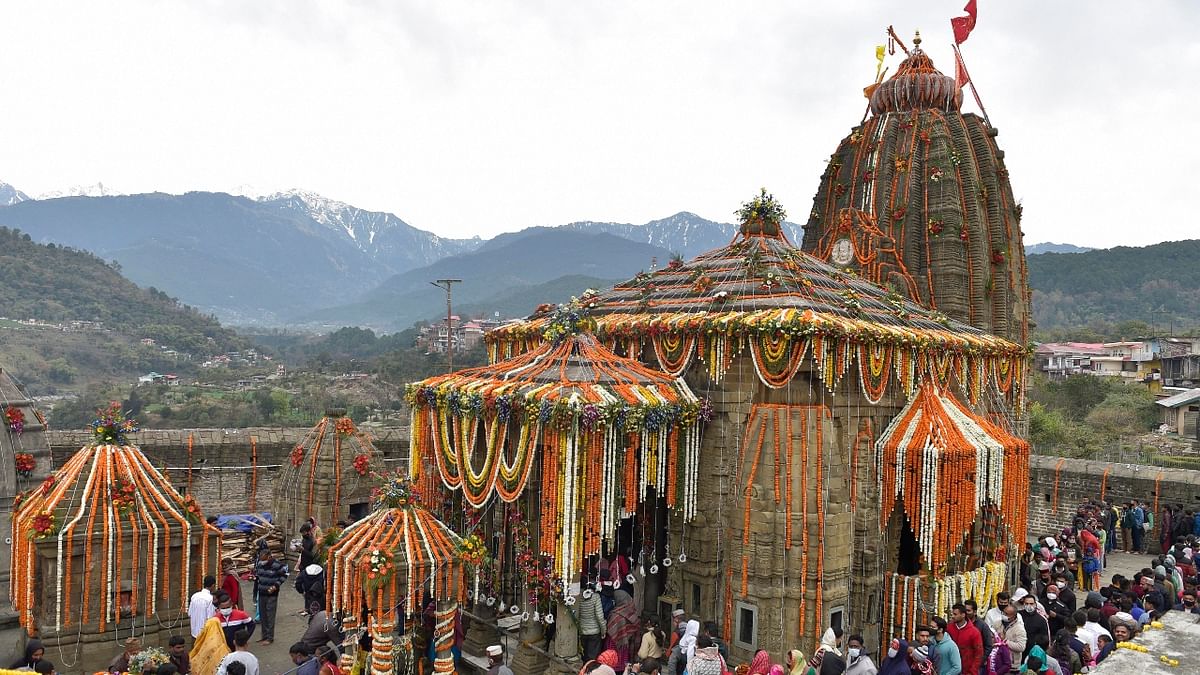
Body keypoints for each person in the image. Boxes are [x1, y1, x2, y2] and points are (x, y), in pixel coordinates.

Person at [253, 546, 287, 645]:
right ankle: (264, 636)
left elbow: (284, 576)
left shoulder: (277, 565)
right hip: (262, 593)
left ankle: (270, 637)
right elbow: (258, 575)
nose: (261, 561)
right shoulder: (259, 564)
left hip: (272, 595)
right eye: (260, 558)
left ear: (268, 557)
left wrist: (276, 586)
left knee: (270, 616)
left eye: (263, 559)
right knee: (263, 616)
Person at [604, 589, 640, 669]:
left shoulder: (615, 615)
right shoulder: (631, 611)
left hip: (614, 643)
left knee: (612, 662)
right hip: (626, 644)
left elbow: (610, 630)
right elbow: (636, 625)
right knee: (623, 664)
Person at [948, 604, 983, 675]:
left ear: (963, 615)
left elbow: (979, 654)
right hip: (951, 670)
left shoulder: (974, 632)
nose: (952, 616)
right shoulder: (949, 628)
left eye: (955, 614)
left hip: (967, 670)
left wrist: (972, 672)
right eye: (952, 614)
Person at [578, 577, 607, 661]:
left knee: (583, 656)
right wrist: (603, 630)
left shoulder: (577, 597)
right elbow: (600, 616)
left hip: (582, 630)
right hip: (594, 632)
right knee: (592, 658)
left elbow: (577, 614)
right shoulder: (596, 597)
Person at [993, 602, 1027, 671]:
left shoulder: (1019, 629)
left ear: (1013, 616)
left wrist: (1005, 641)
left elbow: (1021, 647)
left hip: (1012, 666)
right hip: (997, 662)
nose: (1004, 615)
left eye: (1006, 614)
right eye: (1003, 613)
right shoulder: (997, 624)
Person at [963, 600, 993, 675]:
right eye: (964, 610)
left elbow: (988, 645)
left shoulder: (982, 626)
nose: (966, 613)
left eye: (968, 610)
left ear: (975, 612)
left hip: (977, 665)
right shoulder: (961, 624)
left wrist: (980, 661)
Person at [1017, 593, 1050, 658]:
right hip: (1018, 650)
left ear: (1035, 604)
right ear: (1023, 604)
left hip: (1033, 652)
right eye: (1026, 604)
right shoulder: (1018, 616)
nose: (1029, 606)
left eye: (1031, 604)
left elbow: (1044, 638)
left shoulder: (1041, 620)